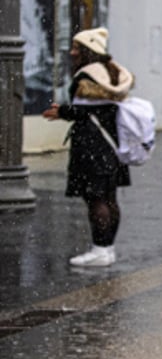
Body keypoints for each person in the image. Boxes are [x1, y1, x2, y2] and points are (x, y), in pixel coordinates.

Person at [40, 28, 132, 267]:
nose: (72, 52)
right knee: (110, 198)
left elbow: (85, 111)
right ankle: (107, 248)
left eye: (76, 48)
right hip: (112, 144)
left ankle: (99, 250)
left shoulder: (88, 76)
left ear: (88, 51)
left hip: (93, 145)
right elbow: (103, 110)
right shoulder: (111, 72)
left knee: (96, 199)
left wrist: (62, 111)